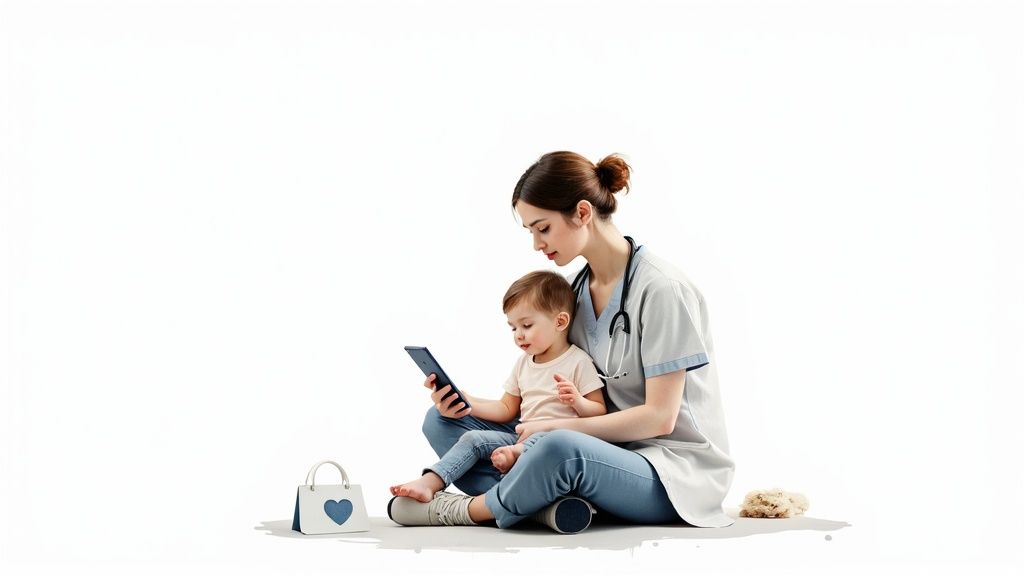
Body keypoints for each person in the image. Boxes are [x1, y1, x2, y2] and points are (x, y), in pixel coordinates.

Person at [388, 151, 735, 533]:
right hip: (599, 448)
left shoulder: (662, 290)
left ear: (582, 213)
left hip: (670, 470)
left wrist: (554, 432)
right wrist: (468, 404)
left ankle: (465, 510)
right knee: (442, 421)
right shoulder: (573, 292)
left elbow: (660, 418)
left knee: (559, 450)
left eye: (543, 228)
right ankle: (545, 507)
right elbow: (542, 394)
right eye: (531, 232)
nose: (537, 244)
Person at [389, 270, 606, 505]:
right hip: (520, 438)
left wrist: (577, 401)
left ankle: (516, 464)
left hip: (552, 443)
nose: (519, 336)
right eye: (513, 328)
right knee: (474, 439)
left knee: (540, 444)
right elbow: (506, 408)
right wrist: (468, 402)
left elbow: (599, 412)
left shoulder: (578, 361)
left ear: (560, 322)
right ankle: (431, 482)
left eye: (526, 325)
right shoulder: (524, 363)